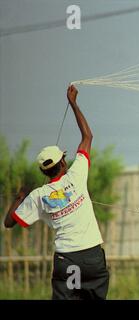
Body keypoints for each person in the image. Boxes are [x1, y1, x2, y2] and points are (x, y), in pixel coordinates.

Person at [4, 85, 109, 300]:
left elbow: (8, 222)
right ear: (63, 162)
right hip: (92, 257)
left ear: (43, 170)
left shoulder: (38, 196)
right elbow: (87, 136)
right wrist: (73, 103)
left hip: (67, 261)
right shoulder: (76, 175)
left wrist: (20, 197)